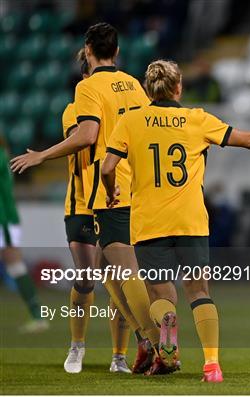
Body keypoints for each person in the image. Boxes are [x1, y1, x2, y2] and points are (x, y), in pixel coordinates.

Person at [100, 59, 250, 381]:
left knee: (160, 294)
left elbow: (106, 168)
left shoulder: (131, 121)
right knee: (199, 290)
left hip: (149, 221)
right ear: (179, 88)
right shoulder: (197, 120)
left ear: (148, 90)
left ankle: (168, 330)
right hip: (190, 220)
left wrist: (110, 191)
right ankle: (212, 365)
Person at [10, 23, 162, 375]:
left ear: (88, 52)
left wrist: (41, 156)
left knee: (115, 277)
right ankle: (95, 347)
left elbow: (85, 137)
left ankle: (138, 346)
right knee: (107, 276)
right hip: (123, 192)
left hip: (102, 193)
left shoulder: (86, 92)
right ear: (118, 51)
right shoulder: (136, 87)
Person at [61, 49, 131, 374]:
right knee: (87, 280)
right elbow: (83, 147)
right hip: (82, 204)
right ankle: (77, 346)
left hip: (115, 199)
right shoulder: (73, 110)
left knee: (118, 282)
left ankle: (119, 356)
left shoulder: (118, 104)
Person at [0, 137, 48, 334]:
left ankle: (38, 315)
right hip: (6, 218)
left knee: (14, 263)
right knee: (14, 264)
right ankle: (38, 315)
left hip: (3, 219)